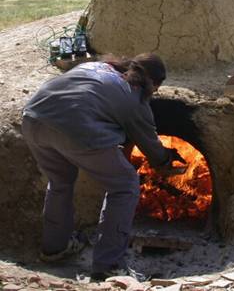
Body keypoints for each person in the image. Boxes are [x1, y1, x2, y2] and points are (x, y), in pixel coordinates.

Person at [22, 53, 184, 281]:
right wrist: (165, 161)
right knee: (125, 185)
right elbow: (149, 143)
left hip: (32, 119)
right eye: (156, 88)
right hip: (75, 128)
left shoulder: (96, 66)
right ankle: (108, 264)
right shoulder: (135, 95)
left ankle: (54, 248)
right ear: (153, 83)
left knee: (60, 182)